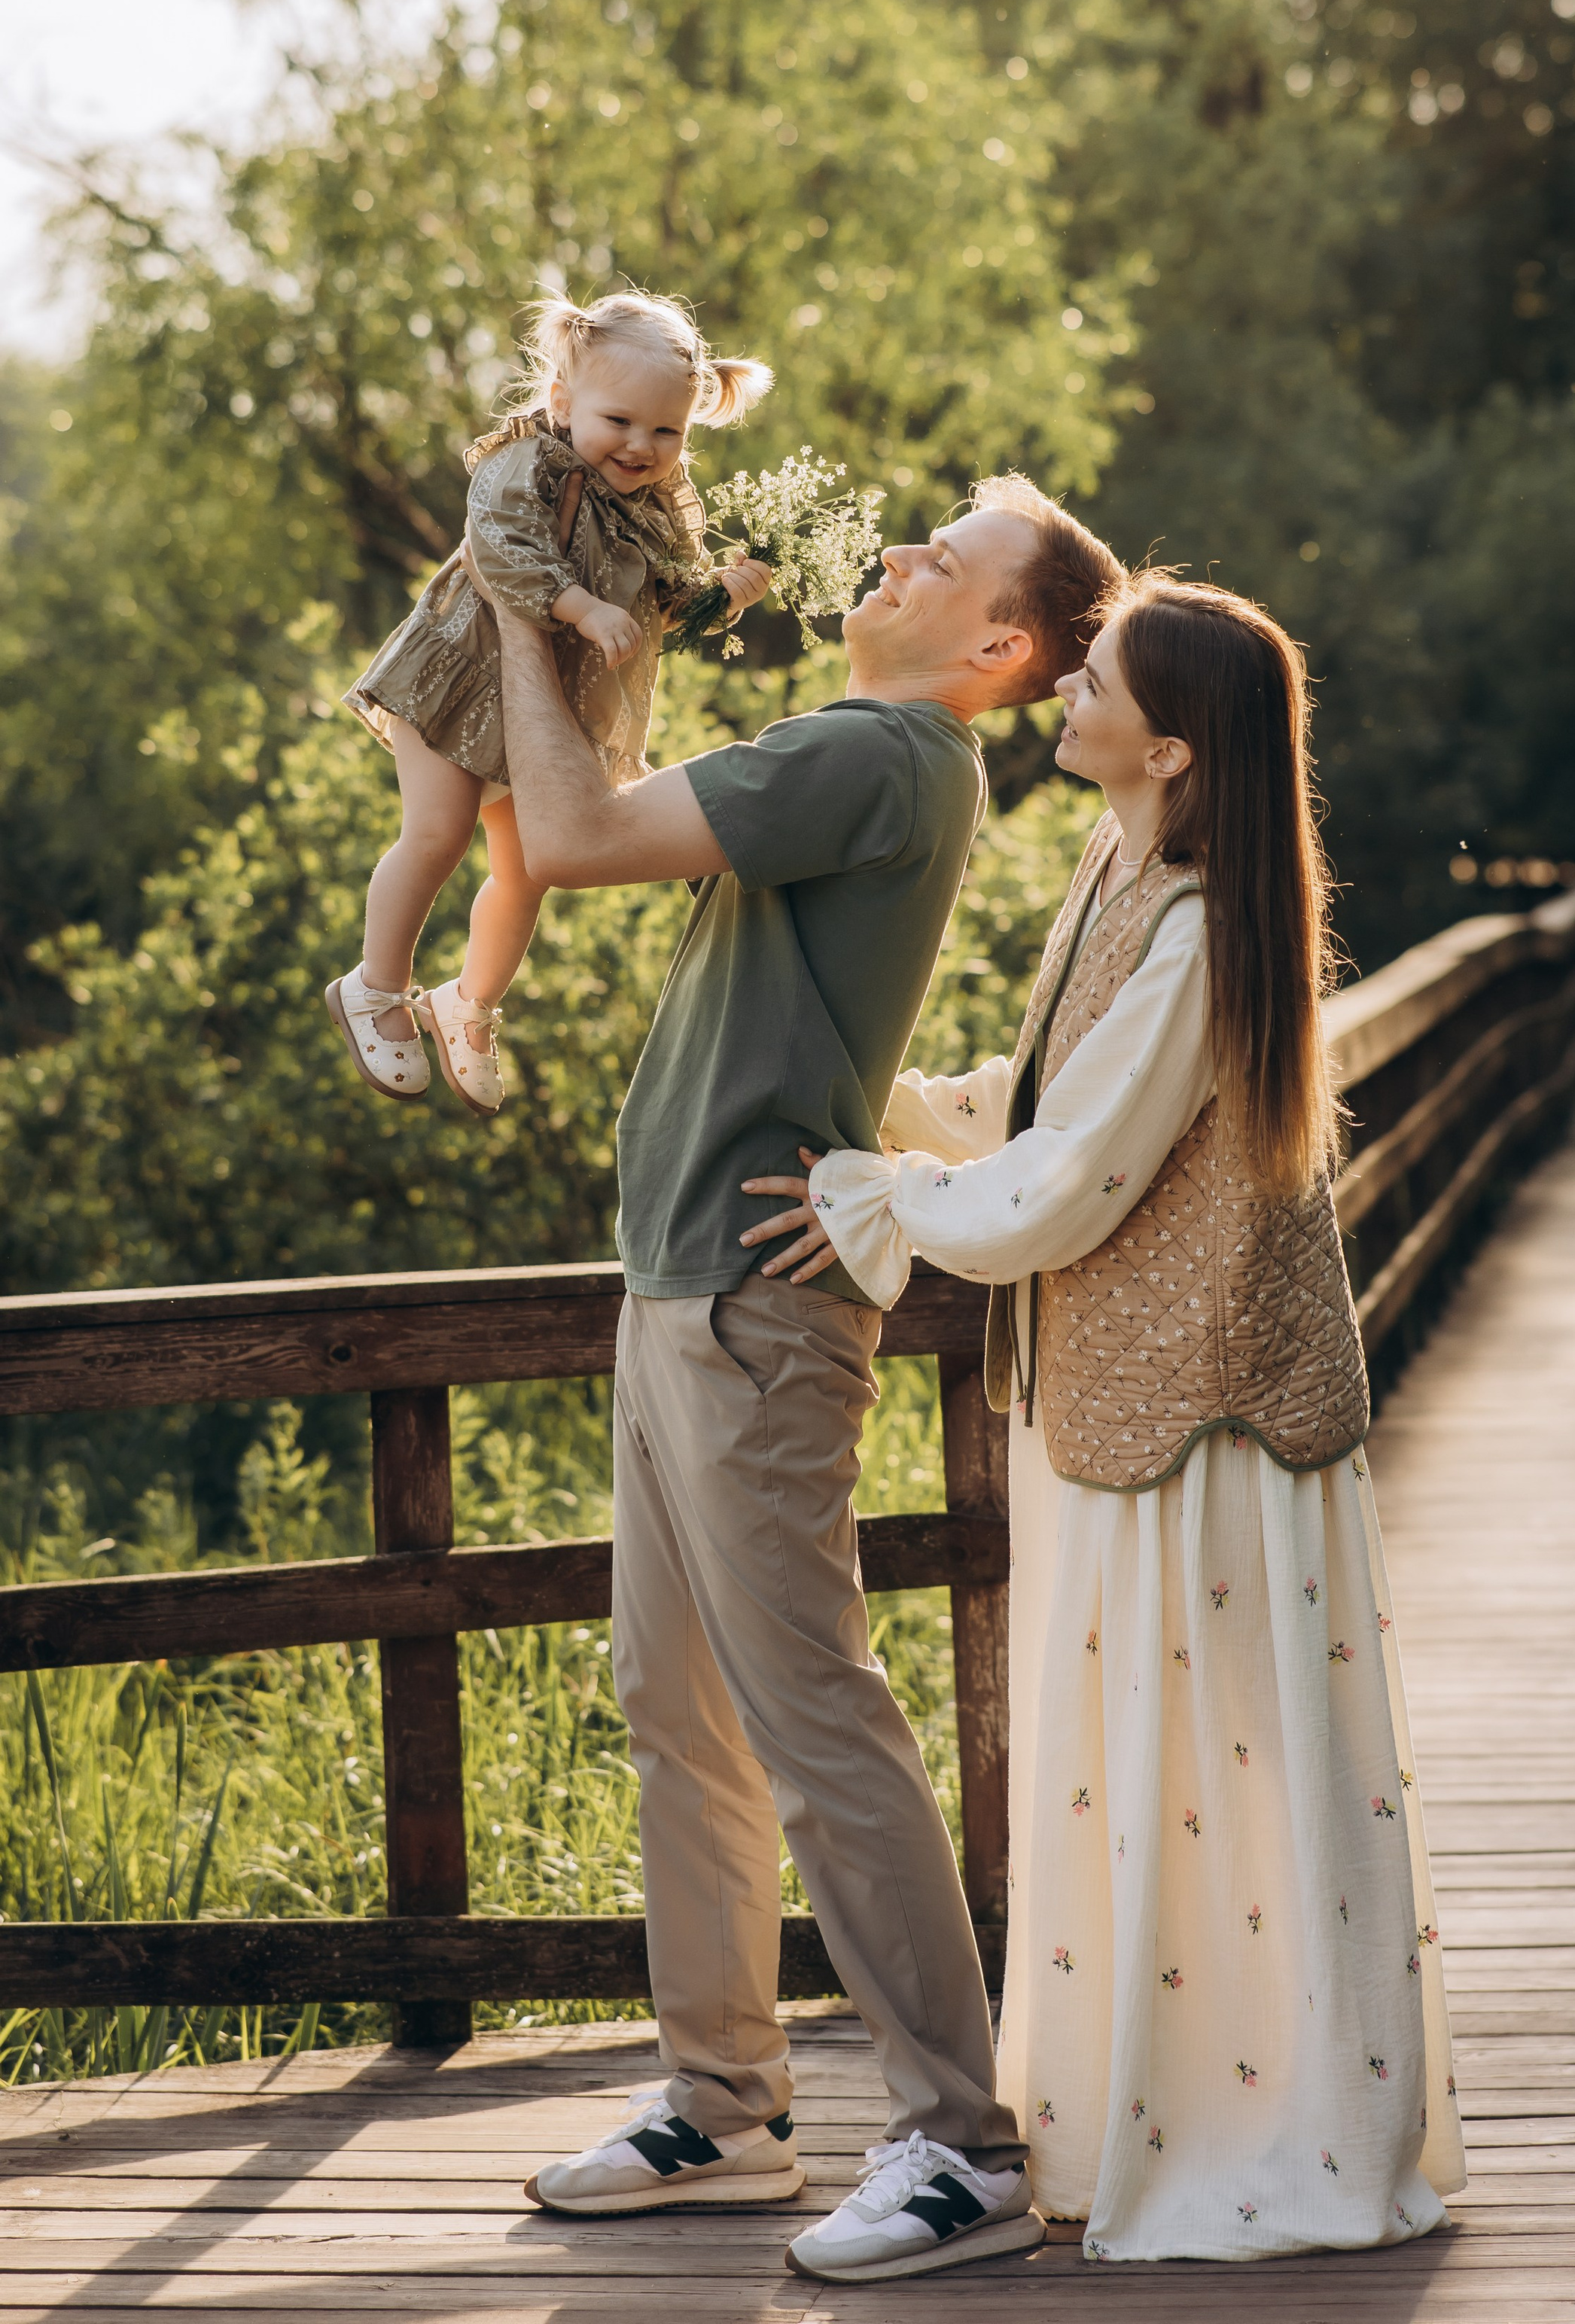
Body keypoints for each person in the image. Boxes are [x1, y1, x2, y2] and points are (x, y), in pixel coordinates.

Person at [763, 577, 1467, 2265]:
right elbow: (1056, 1100)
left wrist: (875, 1192)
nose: (1061, 683)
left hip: (1203, 1418)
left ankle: (1260, 2121)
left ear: (1161, 746)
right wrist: (895, 1105)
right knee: (1152, 1766)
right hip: (1123, 1400)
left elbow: (1063, 1186)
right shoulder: (1123, 872)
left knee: (1208, 1763)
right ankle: (1136, 2106)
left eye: (1093, 677)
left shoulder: (1198, 919)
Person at [494, 471, 1125, 2286]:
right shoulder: (870, 751)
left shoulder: (879, 750)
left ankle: (955, 2140)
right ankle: (726, 2106)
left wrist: (521, 613)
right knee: (674, 1705)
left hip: (751, 1319)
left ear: (995, 644)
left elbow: (572, 832)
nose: (904, 552)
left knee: (815, 1721)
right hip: (683, 1281)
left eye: (949, 555)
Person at [331, 289, 772, 1116]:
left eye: (666, 431)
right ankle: (376, 985)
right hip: (456, 675)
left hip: (542, 713)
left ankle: (469, 1004)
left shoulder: (657, 507)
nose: (641, 446)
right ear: (564, 402)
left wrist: (722, 592)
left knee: (530, 868)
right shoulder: (530, 463)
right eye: (619, 421)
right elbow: (498, 544)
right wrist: (578, 606)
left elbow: (657, 605)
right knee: (437, 833)